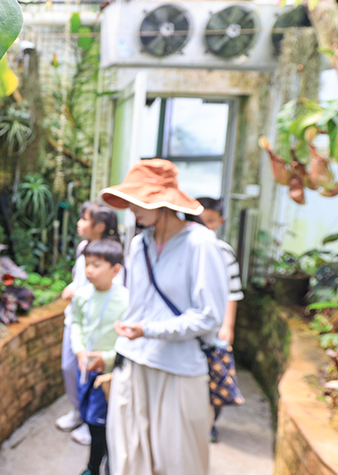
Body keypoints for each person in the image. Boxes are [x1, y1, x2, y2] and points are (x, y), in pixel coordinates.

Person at [100, 159, 228, 475]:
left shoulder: (201, 244)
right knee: (129, 460)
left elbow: (210, 316)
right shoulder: (138, 244)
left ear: (166, 203)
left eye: (141, 202)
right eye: (131, 202)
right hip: (133, 363)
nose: (132, 209)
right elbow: (136, 305)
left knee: (180, 463)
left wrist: (148, 329)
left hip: (180, 368)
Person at [56, 201, 122, 445]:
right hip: (76, 318)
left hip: (99, 323)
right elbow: (80, 280)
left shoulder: (113, 253)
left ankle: (89, 420)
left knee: (93, 373)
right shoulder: (83, 247)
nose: (79, 223)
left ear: (100, 225)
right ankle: (78, 411)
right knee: (69, 367)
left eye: (84, 219)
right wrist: (72, 288)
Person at [70, 239, 129, 475]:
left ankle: (97, 467)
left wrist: (108, 357)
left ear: (116, 270)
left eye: (96, 265)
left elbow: (129, 341)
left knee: (101, 424)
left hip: (109, 375)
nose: (89, 271)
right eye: (87, 265)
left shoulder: (126, 300)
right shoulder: (82, 295)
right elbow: (76, 324)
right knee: (90, 419)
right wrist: (80, 351)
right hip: (86, 369)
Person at [197, 196, 245, 442]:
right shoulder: (189, 247)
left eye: (210, 221)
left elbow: (232, 293)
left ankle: (211, 424)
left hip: (215, 330)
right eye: (200, 220)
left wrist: (228, 326)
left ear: (220, 222)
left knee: (215, 377)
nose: (205, 226)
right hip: (193, 328)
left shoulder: (223, 251)